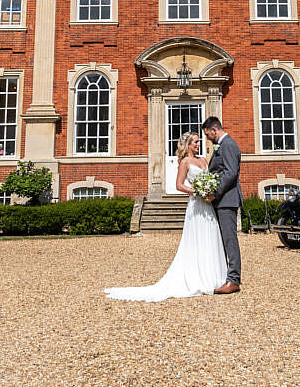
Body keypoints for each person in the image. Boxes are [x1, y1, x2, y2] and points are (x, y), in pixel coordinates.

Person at [104, 131, 226, 302]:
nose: (198, 145)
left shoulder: (203, 160)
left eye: (199, 142)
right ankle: (197, 277)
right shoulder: (185, 162)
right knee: (197, 239)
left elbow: (211, 178)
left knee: (210, 237)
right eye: (195, 142)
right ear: (187, 145)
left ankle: (214, 277)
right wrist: (197, 191)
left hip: (207, 205)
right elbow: (179, 185)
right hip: (196, 204)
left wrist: (210, 191)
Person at [200, 116, 243, 294]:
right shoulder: (223, 145)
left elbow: (230, 173)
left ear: (214, 130)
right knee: (224, 240)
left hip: (227, 200)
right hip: (222, 200)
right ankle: (226, 275)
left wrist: (214, 192)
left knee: (229, 239)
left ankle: (234, 279)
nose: (208, 138)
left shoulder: (228, 145)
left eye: (208, 135)